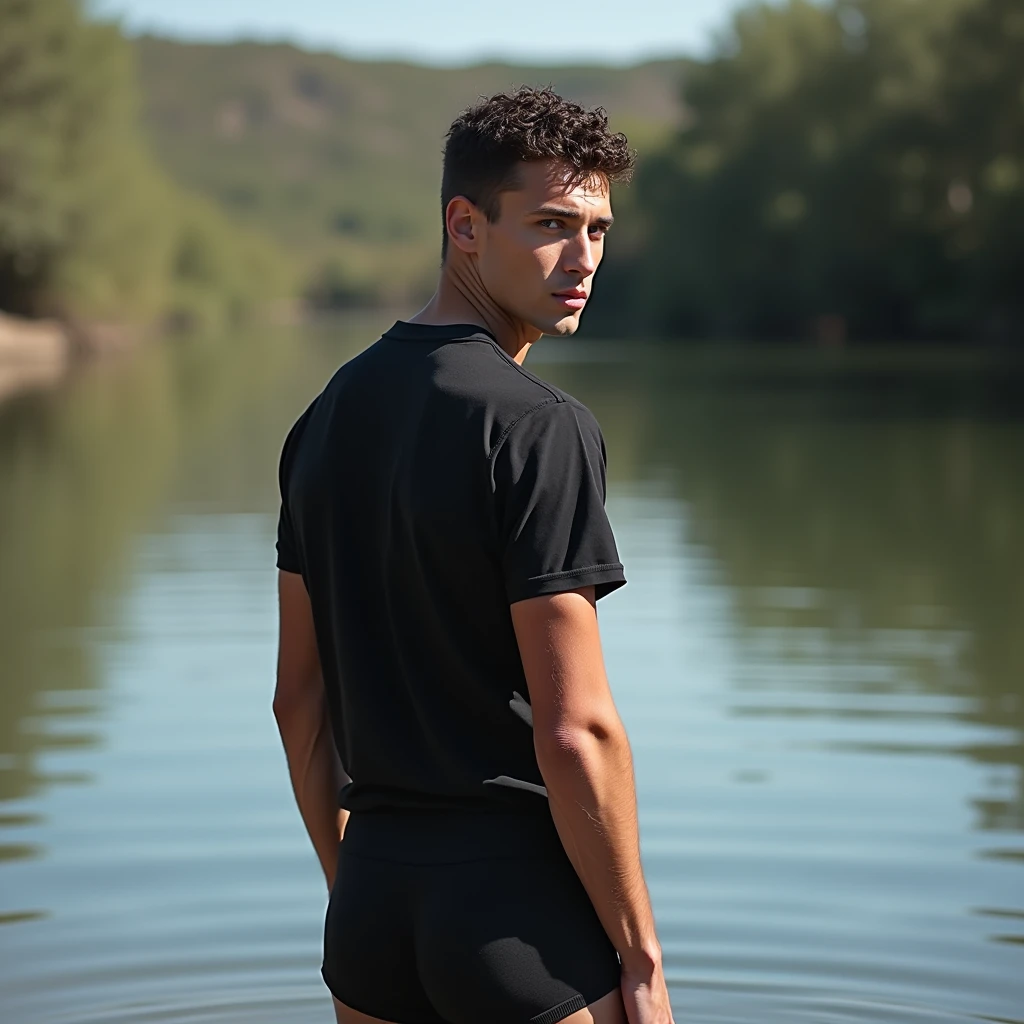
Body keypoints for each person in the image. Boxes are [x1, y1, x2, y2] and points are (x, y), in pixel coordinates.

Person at [273, 86, 675, 1024]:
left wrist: (362, 884)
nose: (583, 259)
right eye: (549, 224)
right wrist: (640, 958)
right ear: (465, 224)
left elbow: (299, 700)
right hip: (515, 919)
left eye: (598, 230)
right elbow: (577, 730)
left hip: (372, 907)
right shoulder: (539, 428)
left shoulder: (325, 418)